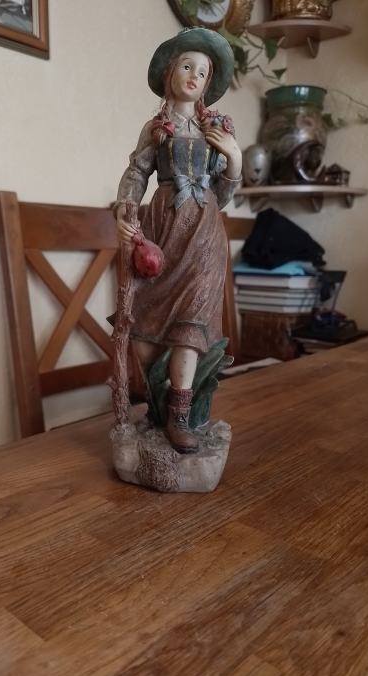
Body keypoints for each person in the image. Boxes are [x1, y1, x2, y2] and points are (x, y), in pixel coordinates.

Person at [114, 28, 242, 454]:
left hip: (203, 234)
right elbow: (137, 172)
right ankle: (155, 405)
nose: (193, 76)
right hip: (163, 228)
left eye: (202, 72)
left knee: (193, 320)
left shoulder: (215, 130)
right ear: (170, 72)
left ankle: (180, 416)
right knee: (146, 326)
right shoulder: (156, 128)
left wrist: (234, 159)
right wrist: (126, 211)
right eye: (187, 66)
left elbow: (222, 194)